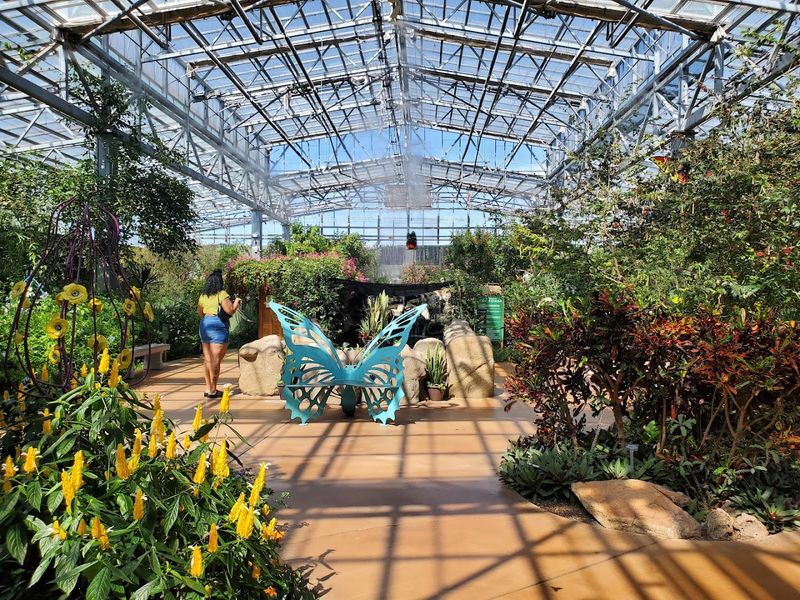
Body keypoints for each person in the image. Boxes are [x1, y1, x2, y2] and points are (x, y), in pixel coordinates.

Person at [197, 269, 241, 398]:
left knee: (208, 359)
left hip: (205, 324)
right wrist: (237, 301)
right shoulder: (222, 294)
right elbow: (230, 310)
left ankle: (208, 388)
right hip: (218, 325)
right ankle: (213, 390)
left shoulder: (203, 296)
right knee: (215, 360)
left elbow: (200, 313)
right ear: (220, 282)